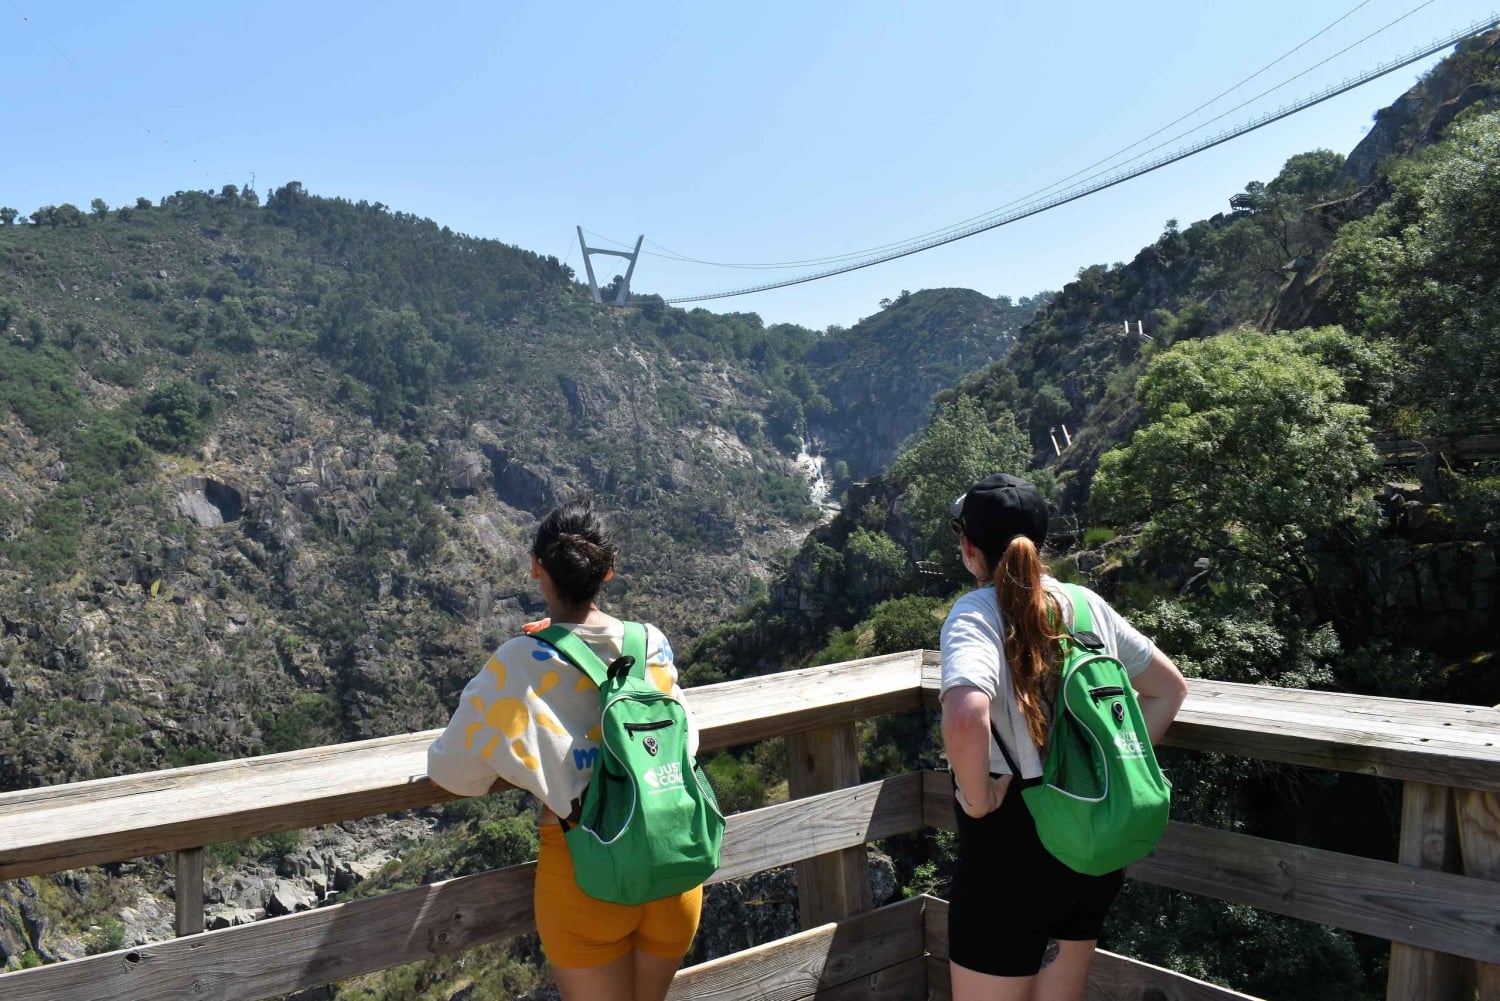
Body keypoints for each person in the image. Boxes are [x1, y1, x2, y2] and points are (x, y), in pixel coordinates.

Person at [427, 500, 701, 1001]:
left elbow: (454, 773)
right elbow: (689, 741)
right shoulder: (652, 644)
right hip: (672, 862)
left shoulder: (518, 661)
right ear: (608, 572)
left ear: (536, 569)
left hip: (584, 874)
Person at [939, 473, 1188, 1001]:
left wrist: (979, 800)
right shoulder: (1086, 604)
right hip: (1090, 831)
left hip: (1011, 847)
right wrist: (1114, 763)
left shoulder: (977, 613)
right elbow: (1169, 691)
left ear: (969, 548)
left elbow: (965, 715)